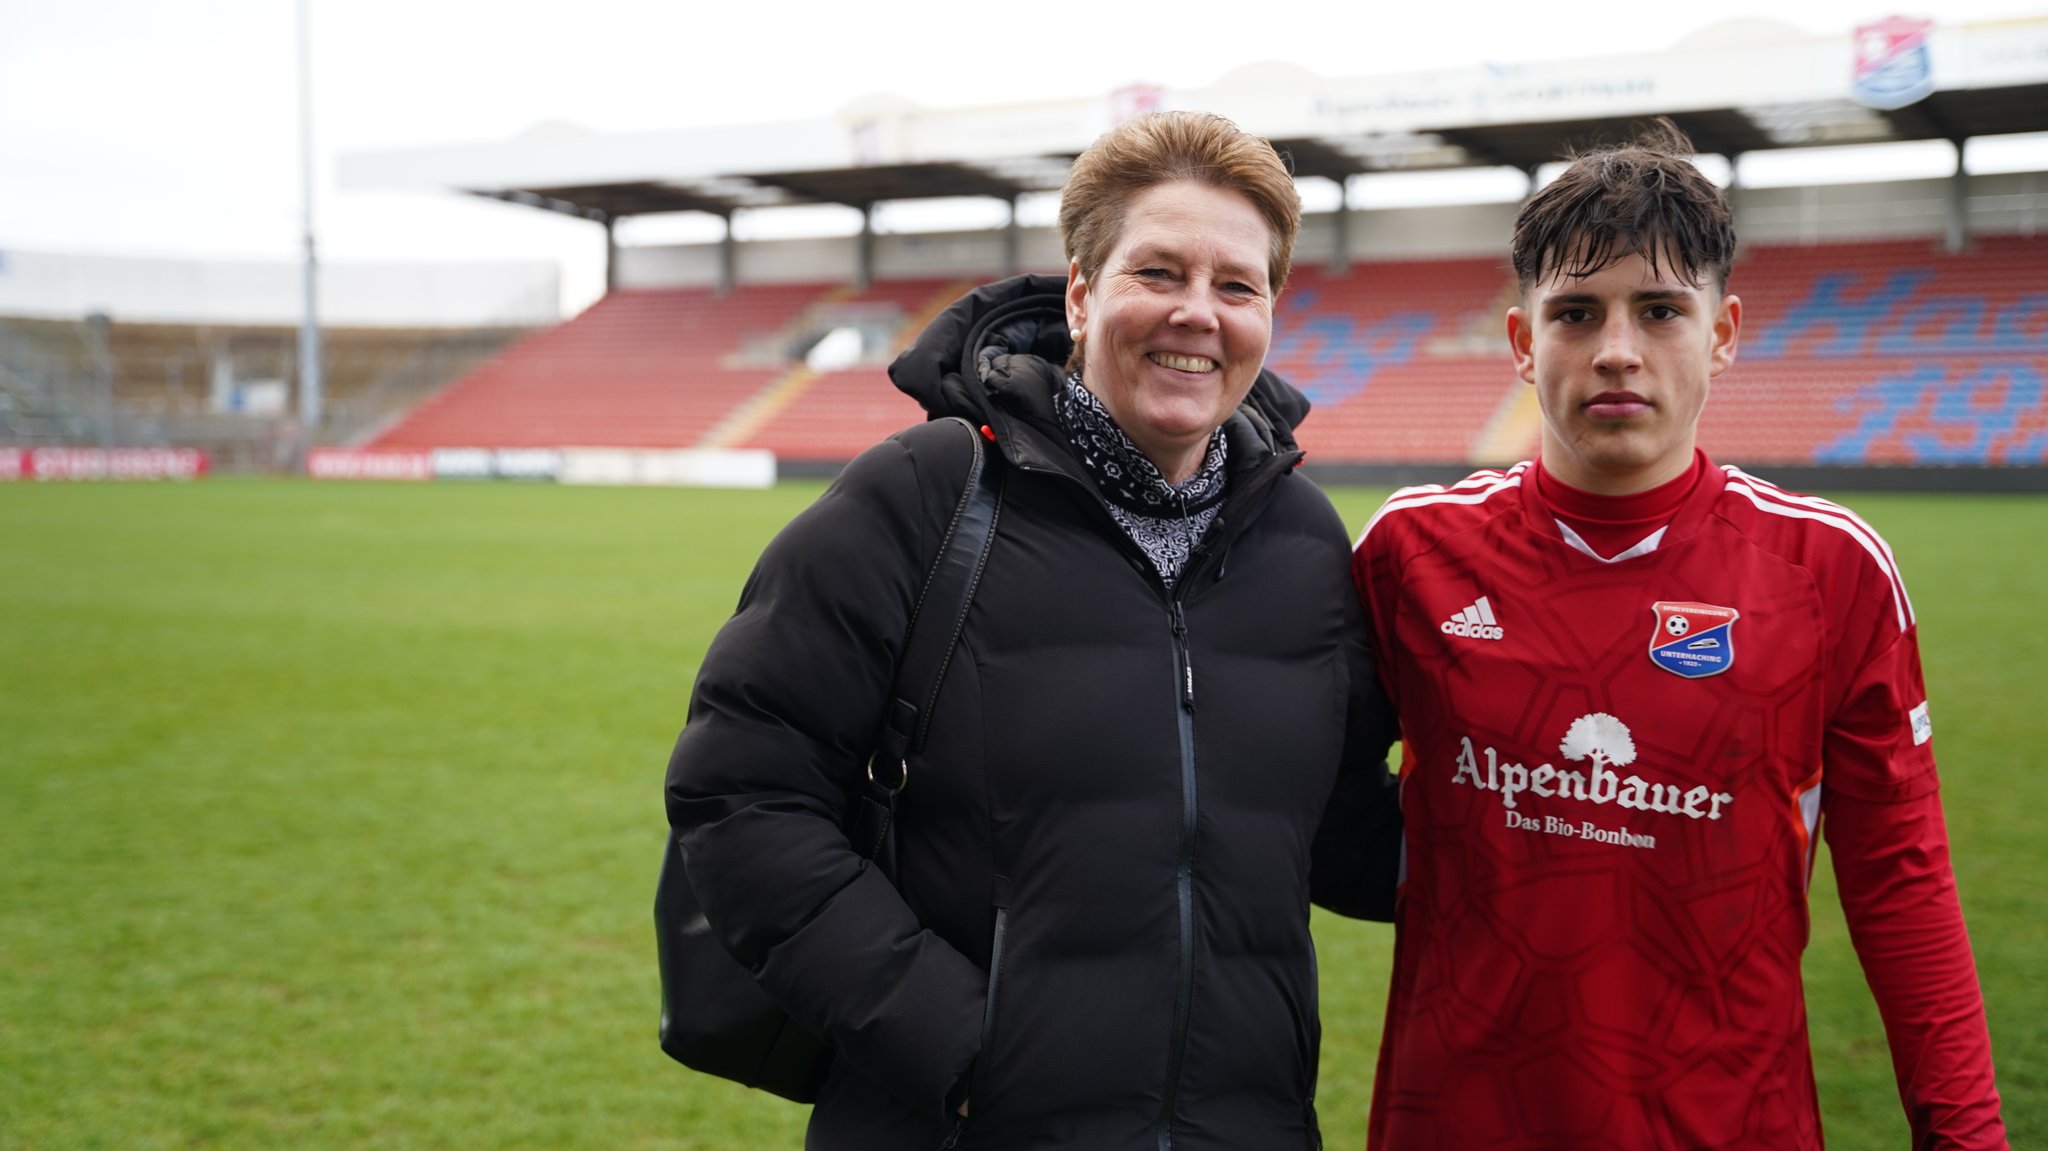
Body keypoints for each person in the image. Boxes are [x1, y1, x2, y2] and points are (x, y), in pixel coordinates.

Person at [668, 110, 1398, 1151]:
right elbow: (740, 792)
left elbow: (1333, 829)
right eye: (1158, 272)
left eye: (1234, 285)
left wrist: (1565, 819)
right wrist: (967, 1049)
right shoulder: (922, 495)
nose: (1197, 312)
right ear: (1079, 292)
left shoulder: (1301, 538)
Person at [1347, 121, 2007, 1149]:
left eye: (1658, 309)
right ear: (1521, 344)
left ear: (1723, 330)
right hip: (1457, 1118)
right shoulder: (1408, 552)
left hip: (1726, 1123)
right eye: (1574, 312)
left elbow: (1900, 881)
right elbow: (1289, 799)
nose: (1616, 349)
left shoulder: (1829, 571)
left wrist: (1964, 1134)